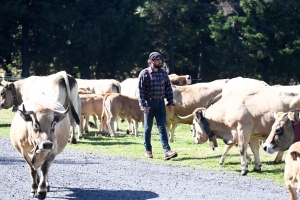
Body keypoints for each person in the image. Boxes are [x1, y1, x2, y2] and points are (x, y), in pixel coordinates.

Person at [137, 52, 178, 160]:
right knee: (147, 128)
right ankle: (148, 150)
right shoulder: (144, 74)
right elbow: (140, 92)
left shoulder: (163, 73)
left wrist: (170, 102)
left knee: (162, 128)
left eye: (160, 60)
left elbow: (168, 88)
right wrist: (143, 106)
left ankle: (167, 151)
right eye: (157, 60)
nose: (160, 62)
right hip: (149, 104)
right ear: (151, 61)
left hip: (160, 104)